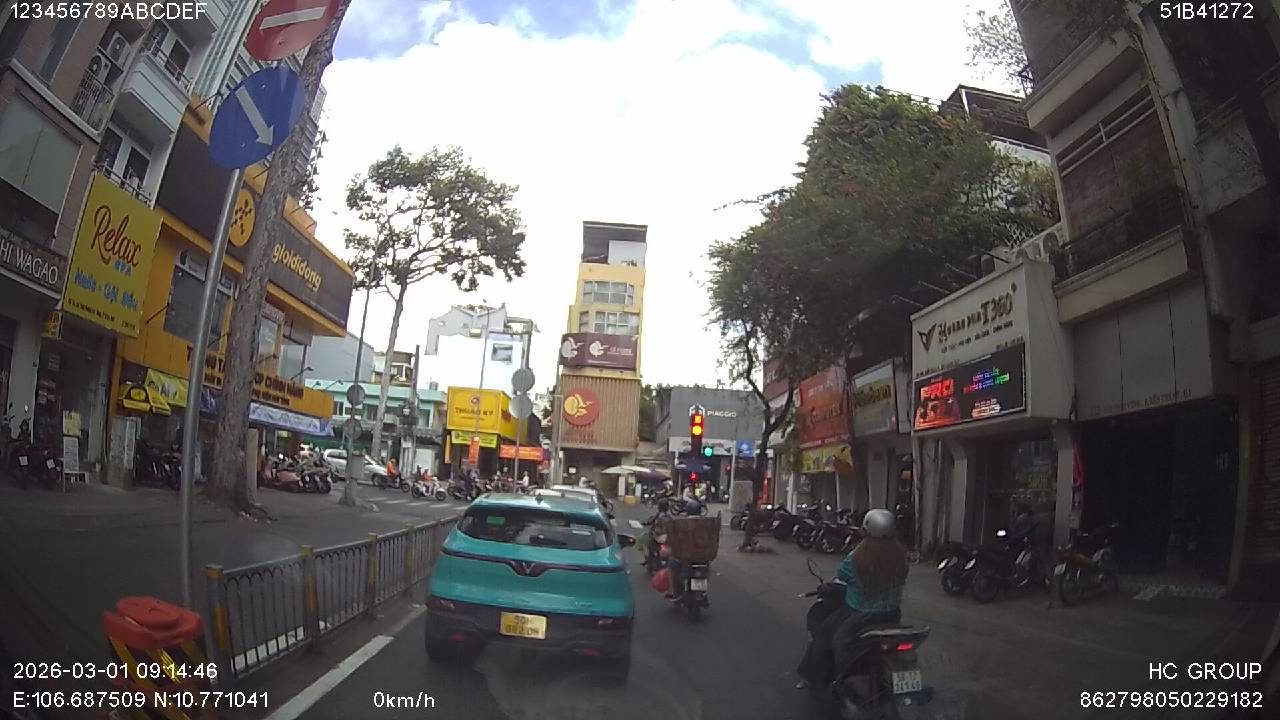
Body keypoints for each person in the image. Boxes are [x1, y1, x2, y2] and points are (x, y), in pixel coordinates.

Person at [796, 508, 908, 693]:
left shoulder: (858, 556)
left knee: (830, 636)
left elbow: (841, 576)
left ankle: (838, 679)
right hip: (892, 613)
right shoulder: (900, 555)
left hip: (860, 614)